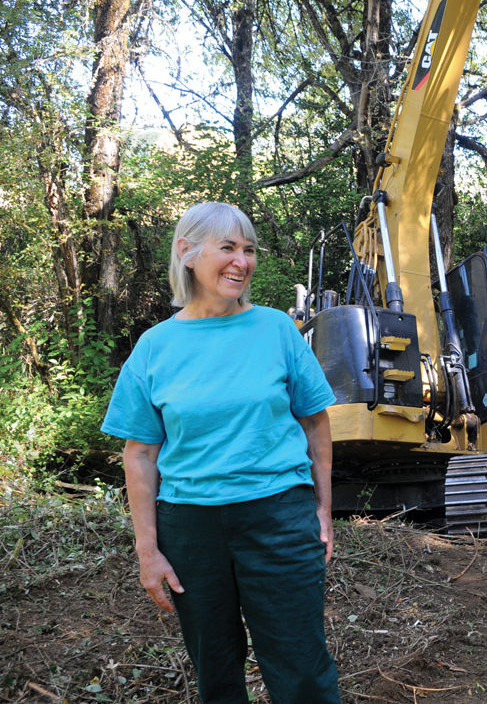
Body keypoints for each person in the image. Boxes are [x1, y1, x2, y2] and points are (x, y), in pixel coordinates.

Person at [101, 202, 342, 704]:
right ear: (187, 253)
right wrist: (148, 551)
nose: (242, 262)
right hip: (190, 530)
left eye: (249, 250)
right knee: (216, 672)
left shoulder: (277, 329)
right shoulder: (154, 347)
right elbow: (140, 454)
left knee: (300, 668)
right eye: (227, 248)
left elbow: (316, 424)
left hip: (279, 517)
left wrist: (323, 511)